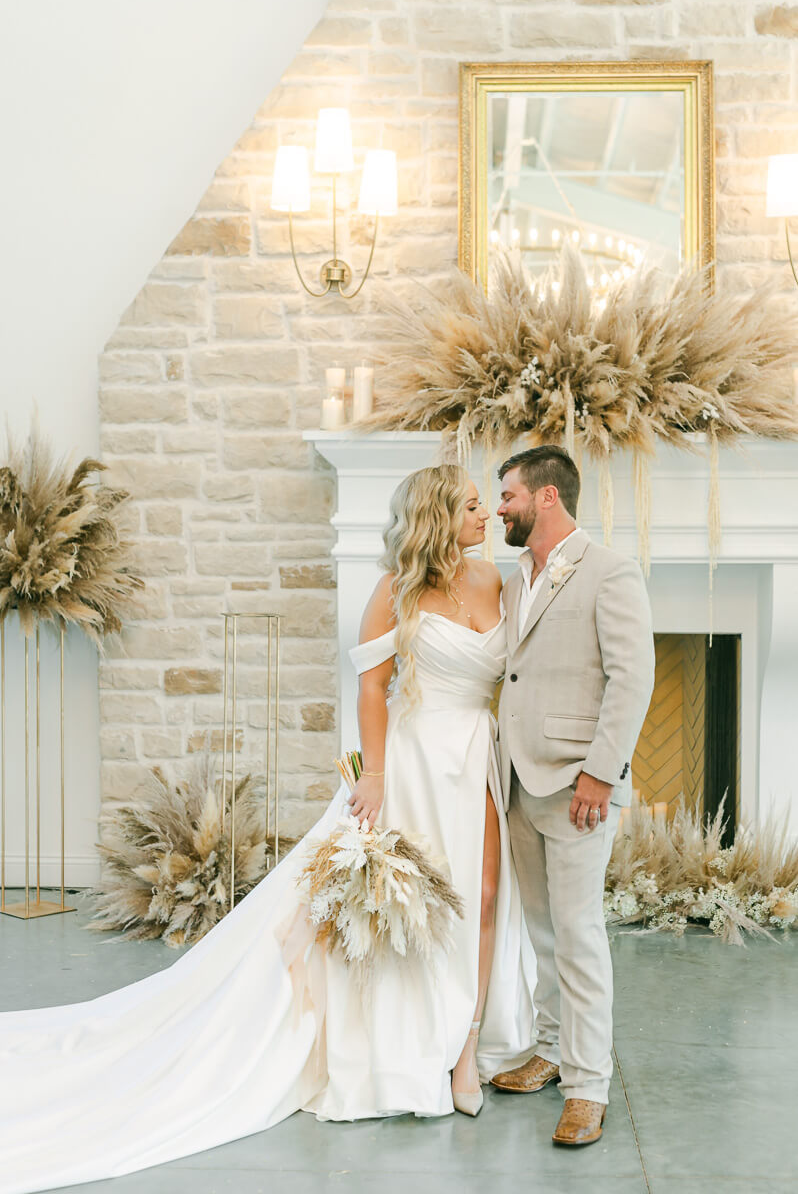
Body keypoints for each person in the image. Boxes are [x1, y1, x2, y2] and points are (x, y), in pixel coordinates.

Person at [0, 463, 536, 1194]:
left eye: (487, 504)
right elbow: (372, 689)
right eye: (473, 507)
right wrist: (371, 777)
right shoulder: (396, 589)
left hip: (475, 757)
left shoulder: (499, 583)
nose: (486, 518)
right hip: (409, 764)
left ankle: (468, 1044)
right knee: (407, 905)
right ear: (439, 517)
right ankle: (403, 1041)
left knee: (481, 891)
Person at [490, 445, 655, 1148]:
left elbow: (633, 678)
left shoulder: (610, 570)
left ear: (547, 497)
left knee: (580, 935)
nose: (499, 508)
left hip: (579, 783)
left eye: (507, 496)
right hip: (519, 779)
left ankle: (588, 1086)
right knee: (542, 930)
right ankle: (552, 1050)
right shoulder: (513, 577)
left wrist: (601, 771)